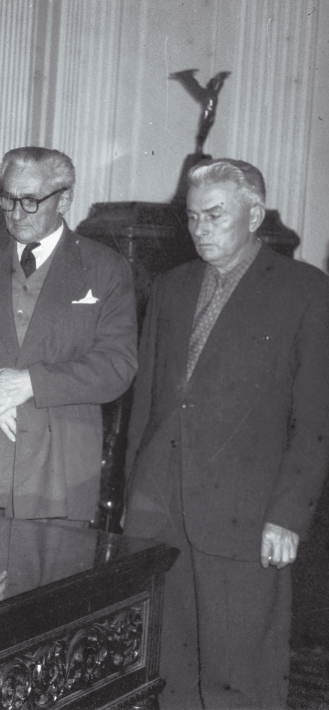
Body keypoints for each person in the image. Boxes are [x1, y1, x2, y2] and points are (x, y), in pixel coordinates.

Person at [125, 159, 329, 708]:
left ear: (255, 213)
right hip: (162, 507)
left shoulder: (306, 290)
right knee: (169, 665)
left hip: (248, 513)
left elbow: (316, 421)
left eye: (215, 215)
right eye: (192, 218)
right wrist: (132, 497)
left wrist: (288, 515)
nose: (200, 229)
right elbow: (146, 405)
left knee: (239, 672)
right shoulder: (171, 286)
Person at [0, 146, 137, 524]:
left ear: (65, 198)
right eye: (7, 198)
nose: (16, 213)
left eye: (31, 201)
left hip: (59, 474)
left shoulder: (107, 268)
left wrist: (30, 383)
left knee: (54, 582)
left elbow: (117, 366)